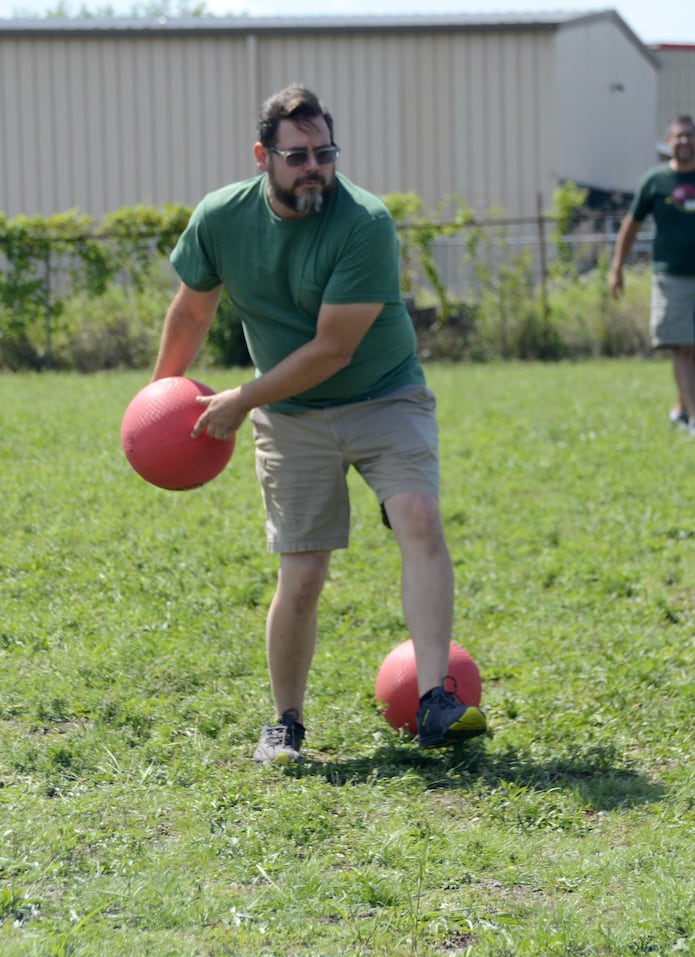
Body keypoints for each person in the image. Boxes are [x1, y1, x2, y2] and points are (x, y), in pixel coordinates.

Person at [151, 84, 487, 765]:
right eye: (297, 154)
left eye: (325, 153)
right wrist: (160, 400)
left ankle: (434, 702)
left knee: (418, 516)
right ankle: (286, 723)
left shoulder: (363, 222)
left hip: (383, 396)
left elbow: (334, 348)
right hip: (292, 417)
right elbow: (191, 314)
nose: (314, 168)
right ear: (262, 157)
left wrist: (242, 397)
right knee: (301, 575)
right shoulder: (221, 219)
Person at [608, 114, 695, 435]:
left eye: (689, 135)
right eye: (677, 136)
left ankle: (680, 406)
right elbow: (631, 225)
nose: (683, 141)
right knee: (682, 347)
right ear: (668, 141)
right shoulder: (655, 181)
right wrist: (617, 268)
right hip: (671, 277)